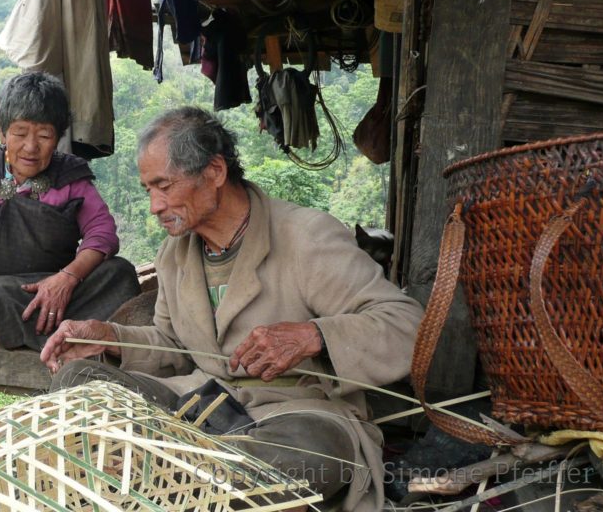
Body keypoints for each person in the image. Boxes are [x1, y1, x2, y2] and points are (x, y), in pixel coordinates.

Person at [40, 106, 423, 512]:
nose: (154, 205)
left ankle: (180, 479)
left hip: (298, 415)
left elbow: (407, 325)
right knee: (77, 379)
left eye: (164, 186)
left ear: (215, 172)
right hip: (197, 404)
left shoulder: (307, 236)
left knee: (280, 467)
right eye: (148, 189)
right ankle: (190, 476)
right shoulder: (176, 251)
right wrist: (112, 339)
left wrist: (315, 335)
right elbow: (172, 344)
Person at [0, 71, 140, 365]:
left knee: (120, 274)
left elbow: (103, 234)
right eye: (20, 133)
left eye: (44, 135)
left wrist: (66, 279)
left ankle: (69, 337)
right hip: (9, 295)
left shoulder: (71, 175)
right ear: (2, 133)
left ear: (58, 137)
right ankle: (72, 342)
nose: (31, 146)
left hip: (65, 293)